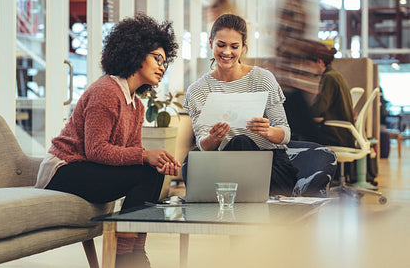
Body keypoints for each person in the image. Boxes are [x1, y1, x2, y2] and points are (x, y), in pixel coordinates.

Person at [34, 13, 181, 268]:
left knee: (152, 171)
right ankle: (125, 256)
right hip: (63, 170)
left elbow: (131, 152)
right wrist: (146, 156)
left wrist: (153, 159)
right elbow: (96, 150)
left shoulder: (135, 104)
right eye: (157, 58)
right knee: (147, 169)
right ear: (135, 53)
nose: (162, 66)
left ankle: (131, 250)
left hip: (86, 168)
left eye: (165, 61)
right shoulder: (106, 90)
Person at [183, 13, 298, 196]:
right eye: (221, 45)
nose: (227, 52)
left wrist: (268, 131)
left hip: (270, 167)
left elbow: (285, 133)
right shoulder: (198, 90)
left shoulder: (262, 78)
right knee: (192, 161)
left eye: (234, 46)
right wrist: (214, 138)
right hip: (226, 165)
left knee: (242, 142)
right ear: (211, 42)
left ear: (243, 47)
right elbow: (203, 144)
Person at [271, 0, 327, 143]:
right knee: (315, 142)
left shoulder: (301, 3)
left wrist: (313, 48)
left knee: (300, 142)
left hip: (298, 86)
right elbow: (281, 43)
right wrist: (312, 49)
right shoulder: (290, 3)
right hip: (289, 87)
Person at [311, 46, 355, 148]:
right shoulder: (336, 75)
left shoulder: (329, 77)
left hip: (335, 135)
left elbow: (319, 108)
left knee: (297, 137)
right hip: (343, 135)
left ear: (320, 62)